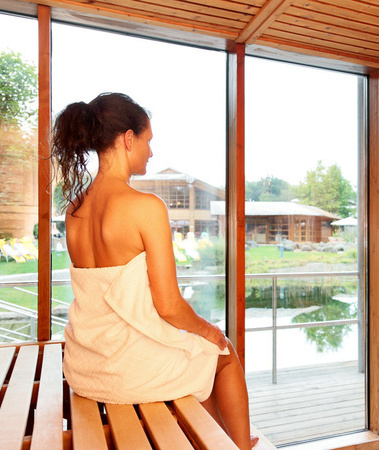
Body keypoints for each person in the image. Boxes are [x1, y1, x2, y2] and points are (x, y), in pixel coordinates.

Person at [52, 92, 255, 449]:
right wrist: (210, 331)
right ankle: (239, 446)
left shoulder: (74, 210)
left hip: (86, 364)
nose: (151, 151)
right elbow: (168, 305)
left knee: (198, 355)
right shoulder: (146, 207)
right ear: (128, 139)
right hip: (125, 370)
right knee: (224, 353)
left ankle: (216, 441)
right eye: (148, 140)